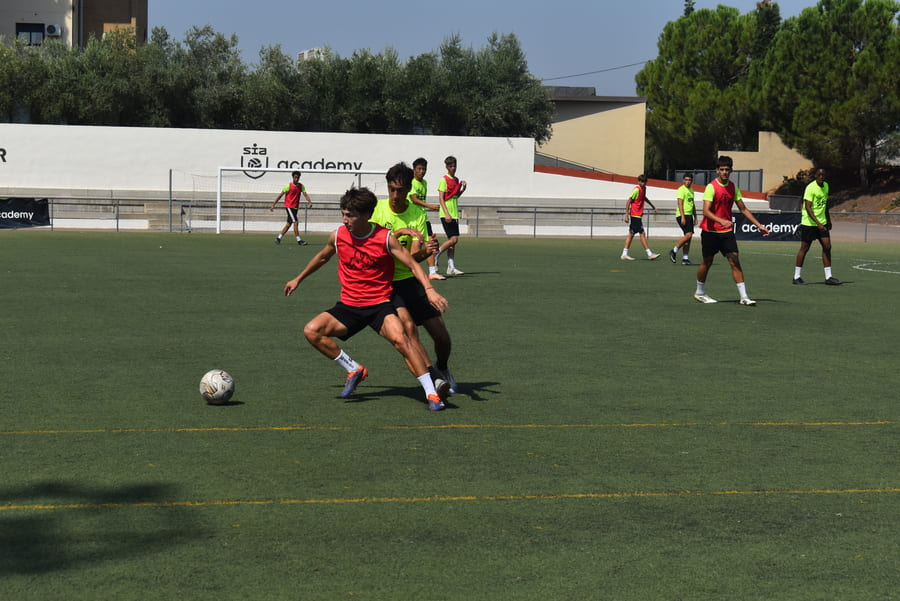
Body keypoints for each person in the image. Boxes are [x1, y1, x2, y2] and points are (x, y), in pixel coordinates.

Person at [283, 187, 450, 411]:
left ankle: (431, 393)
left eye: (350, 215)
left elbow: (411, 264)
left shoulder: (385, 238)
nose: (345, 219)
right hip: (349, 306)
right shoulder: (339, 235)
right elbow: (323, 257)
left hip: (379, 306)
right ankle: (354, 369)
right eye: (343, 214)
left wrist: (429, 289)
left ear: (366, 215)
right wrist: (298, 279)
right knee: (312, 330)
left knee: (403, 340)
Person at [371, 162, 459, 394]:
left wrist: (427, 251)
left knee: (442, 336)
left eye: (400, 190)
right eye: (391, 189)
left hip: (409, 279)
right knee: (409, 328)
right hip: (386, 284)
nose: (395, 195)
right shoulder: (377, 211)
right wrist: (397, 233)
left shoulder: (417, 214)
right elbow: (372, 250)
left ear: (409, 188)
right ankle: (434, 377)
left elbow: (412, 258)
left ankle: (442, 367)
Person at [693, 156, 770, 305]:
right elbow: (706, 211)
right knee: (707, 262)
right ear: (717, 170)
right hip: (710, 232)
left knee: (735, 260)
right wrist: (721, 220)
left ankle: (744, 297)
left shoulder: (733, 187)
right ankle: (700, 292)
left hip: (726, 233)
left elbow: (743, 208)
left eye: (727, 170)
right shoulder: (711, 187)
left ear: (731, 170)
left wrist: (759, 225)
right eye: (721, 170)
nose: (724, 172)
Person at [793, 168, 841, 286]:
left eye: (823, 174)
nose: (821, 176)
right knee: (804, 248)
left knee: (827, 246)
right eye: (819, 174)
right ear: (815, 176)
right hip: (809, 223)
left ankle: (828, 277)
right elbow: (808, 207)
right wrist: (818, 224)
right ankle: (796, 277)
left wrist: (827, 220)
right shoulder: (810, 188)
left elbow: (825, 205)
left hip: (822, 222)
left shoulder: (826, 186)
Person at [407, 157, 444, 281]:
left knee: (430, 243)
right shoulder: (411, 182)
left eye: (424, 169)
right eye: (419, 169)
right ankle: (411, 271)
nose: (422, 171)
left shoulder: (424, 183)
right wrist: (430, 206)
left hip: (423, 218)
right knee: (415, 247)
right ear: (414, 170)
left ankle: (432, 272)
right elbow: (414, 199)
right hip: (412, 219)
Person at [435, 156, 466, 276]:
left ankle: (451, 267)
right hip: (446, 213)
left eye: (454, 166)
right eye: (451, 166)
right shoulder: (444, 180)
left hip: (454, 213)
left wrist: (463, 190)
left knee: (452, 242)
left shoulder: (456, 180)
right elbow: (441, 198)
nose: (453, 168)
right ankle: (436, 254)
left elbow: (454, 197)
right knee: (454, 239)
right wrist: (447, 213)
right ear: (447, 167)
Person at [620, 174, 660, 260]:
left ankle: (624, 254)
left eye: (644, 182)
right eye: (641, 181)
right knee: (642, 233)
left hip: (638, 215)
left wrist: (653, 207)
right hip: (635, 215)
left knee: (631, 234)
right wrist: (626, 215)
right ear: (638, 181)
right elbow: (628, 202)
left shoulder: (644, 189)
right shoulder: (636, 190)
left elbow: (644, 198)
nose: (643, 183)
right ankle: (649, 253)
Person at [270, 170, 313, 246]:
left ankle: (278, 238)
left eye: (298, 177)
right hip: (289, 206)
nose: (297, 179)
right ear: (293, 177)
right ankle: (299, 240)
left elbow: (305, 194)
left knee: (288, 224)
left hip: (295, 207)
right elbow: (280, 195)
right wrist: (273, 204)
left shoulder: (301, 186)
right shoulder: (288, 186)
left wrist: (309, 202)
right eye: (295, 177)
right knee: (296, 222)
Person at [669, 173, 696, 265]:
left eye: (689, 180)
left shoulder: (691, 190)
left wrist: (695, 216)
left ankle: (685, 258)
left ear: (692, 181)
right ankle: (674, 250)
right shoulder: (681, 190)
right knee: (688, 235)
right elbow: (680, 203)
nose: (688, 181)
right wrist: (683, 216)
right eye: (686, 180)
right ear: (683, 180)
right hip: (682, 215)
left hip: (689, 215)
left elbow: (693, 205)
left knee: (689, 238)